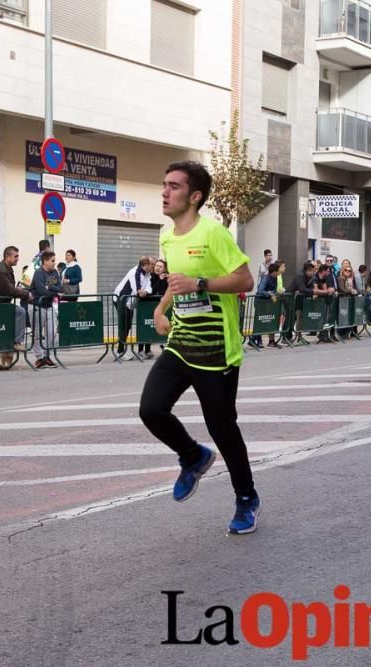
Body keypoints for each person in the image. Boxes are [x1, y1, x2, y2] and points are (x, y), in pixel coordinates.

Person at [139, 160, 259, 535]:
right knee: (151, 410)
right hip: (181, 343)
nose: (164, 191)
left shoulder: (214, 233)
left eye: (173, 186)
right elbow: (177, 284)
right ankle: (193, 456)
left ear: (194, 196)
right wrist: (161, 310)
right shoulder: (167, 236)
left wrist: (200, 283)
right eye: (164, 184)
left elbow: (246, 279)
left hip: (217, 350)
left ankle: (246, 498)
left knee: (223, 428)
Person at [0, 246, 30, 370]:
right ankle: (16, 342)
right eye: (16, 256)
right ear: (7, 257)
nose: (18, 259)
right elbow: (9, 290)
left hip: (0, 303)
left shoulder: (6, 268)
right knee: (20, 312)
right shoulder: (1, 271)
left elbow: (10, 288)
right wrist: (26, 294)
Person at [114, 256, 152, 358]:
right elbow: (136, 290)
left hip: (130, 303)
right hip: (121, 300)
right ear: (146, 265)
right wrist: (141, 292)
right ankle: (120, 352)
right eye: (151, 264)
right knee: (124, 325)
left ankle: (121, 350)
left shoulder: (147, 274)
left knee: (127, 325)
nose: (153, 266)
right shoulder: (134, 272)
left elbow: (149, 287)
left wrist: (146, 292)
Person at [30, 250, 62, 368]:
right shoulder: (38, 273)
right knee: (37, 333)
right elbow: (41, 290)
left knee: (52, 332)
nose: (54, 263)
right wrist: (54, 292)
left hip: (49, 306)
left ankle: (47, 355)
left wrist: (50, 287)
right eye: (52, 261)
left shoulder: (55, 272)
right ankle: (39, 358)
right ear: (45, 261)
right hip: (37, 305)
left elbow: (60, 288)